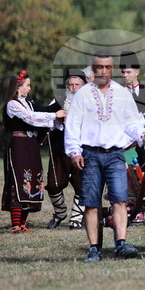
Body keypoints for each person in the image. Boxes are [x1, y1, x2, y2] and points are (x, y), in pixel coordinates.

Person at [64, 50, 145, 262]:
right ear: (93, 69)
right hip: (90, 155)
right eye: (99, 67)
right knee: (91, 203)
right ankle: (94, 249)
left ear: (111, 69)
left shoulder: (122, 94)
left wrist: (142, 134)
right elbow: (73, 124)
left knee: (120, 200)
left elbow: (132, 122)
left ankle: (121, 245)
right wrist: (74, 151)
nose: (103, 71)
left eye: (107, 67)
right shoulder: (83, 94)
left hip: (115, 155)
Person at [2, 71, 65, 232]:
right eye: (27, 85)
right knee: (21, 180)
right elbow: (32, 118)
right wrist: (54, 115)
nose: (29, 88)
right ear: (18, 87)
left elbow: (41, 114)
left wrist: (63, 102)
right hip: (19, 145)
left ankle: (23, 223)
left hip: (31, 145)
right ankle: (15, 223)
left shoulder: (28, 103)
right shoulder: (13, 104)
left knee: (32, 181)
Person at [44, 70, 87, 229]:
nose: (73, 87)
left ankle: (76, 218)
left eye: (77, 84)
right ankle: (60, 212)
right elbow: (45, 119)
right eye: (70, 84)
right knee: (54, 185)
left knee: (82, 185)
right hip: (59, 150)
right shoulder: (57, 101)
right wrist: (57, 119)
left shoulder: (89, 102)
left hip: (82, 150)